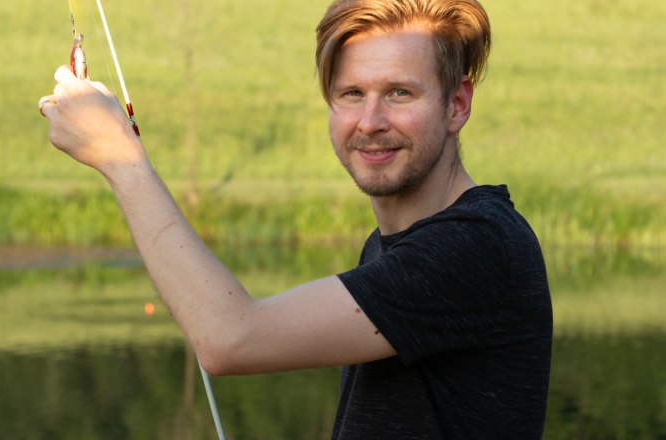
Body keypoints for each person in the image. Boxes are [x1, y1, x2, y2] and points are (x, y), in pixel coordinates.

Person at [38, 0, 552, 438]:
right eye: (352, 94)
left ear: (457, 104)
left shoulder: (476, 248)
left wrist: (120, 158)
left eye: (400, 93)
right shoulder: (391, 246)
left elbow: (230, 337)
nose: (370, 122)